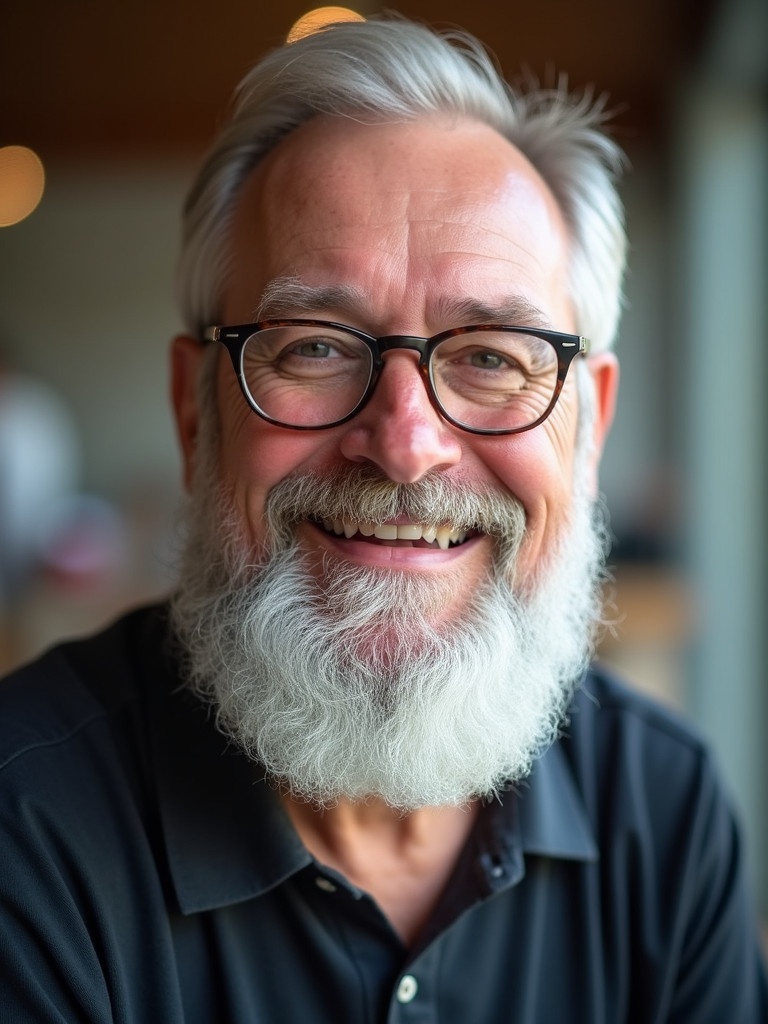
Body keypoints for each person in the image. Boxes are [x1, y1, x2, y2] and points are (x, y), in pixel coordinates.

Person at [0, 14, 765, 1023]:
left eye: (493, 355)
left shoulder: (664, 816)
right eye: (315, 347)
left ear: (590, 430)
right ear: (198, 412)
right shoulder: (24, 831)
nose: (405, 444)